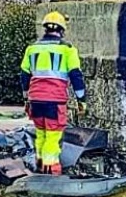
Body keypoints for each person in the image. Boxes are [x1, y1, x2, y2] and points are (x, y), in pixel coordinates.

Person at [20, 11, 87, 175]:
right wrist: (81, 100)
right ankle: (51, 171)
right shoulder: (67, 49)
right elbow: (75, 75)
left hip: (35, 99)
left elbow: (24, 75)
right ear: (62, 30)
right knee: (53, 136)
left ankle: (39, 165)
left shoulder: (31, 49)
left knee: (41, 133)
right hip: (54, 100)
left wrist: (26, 97)